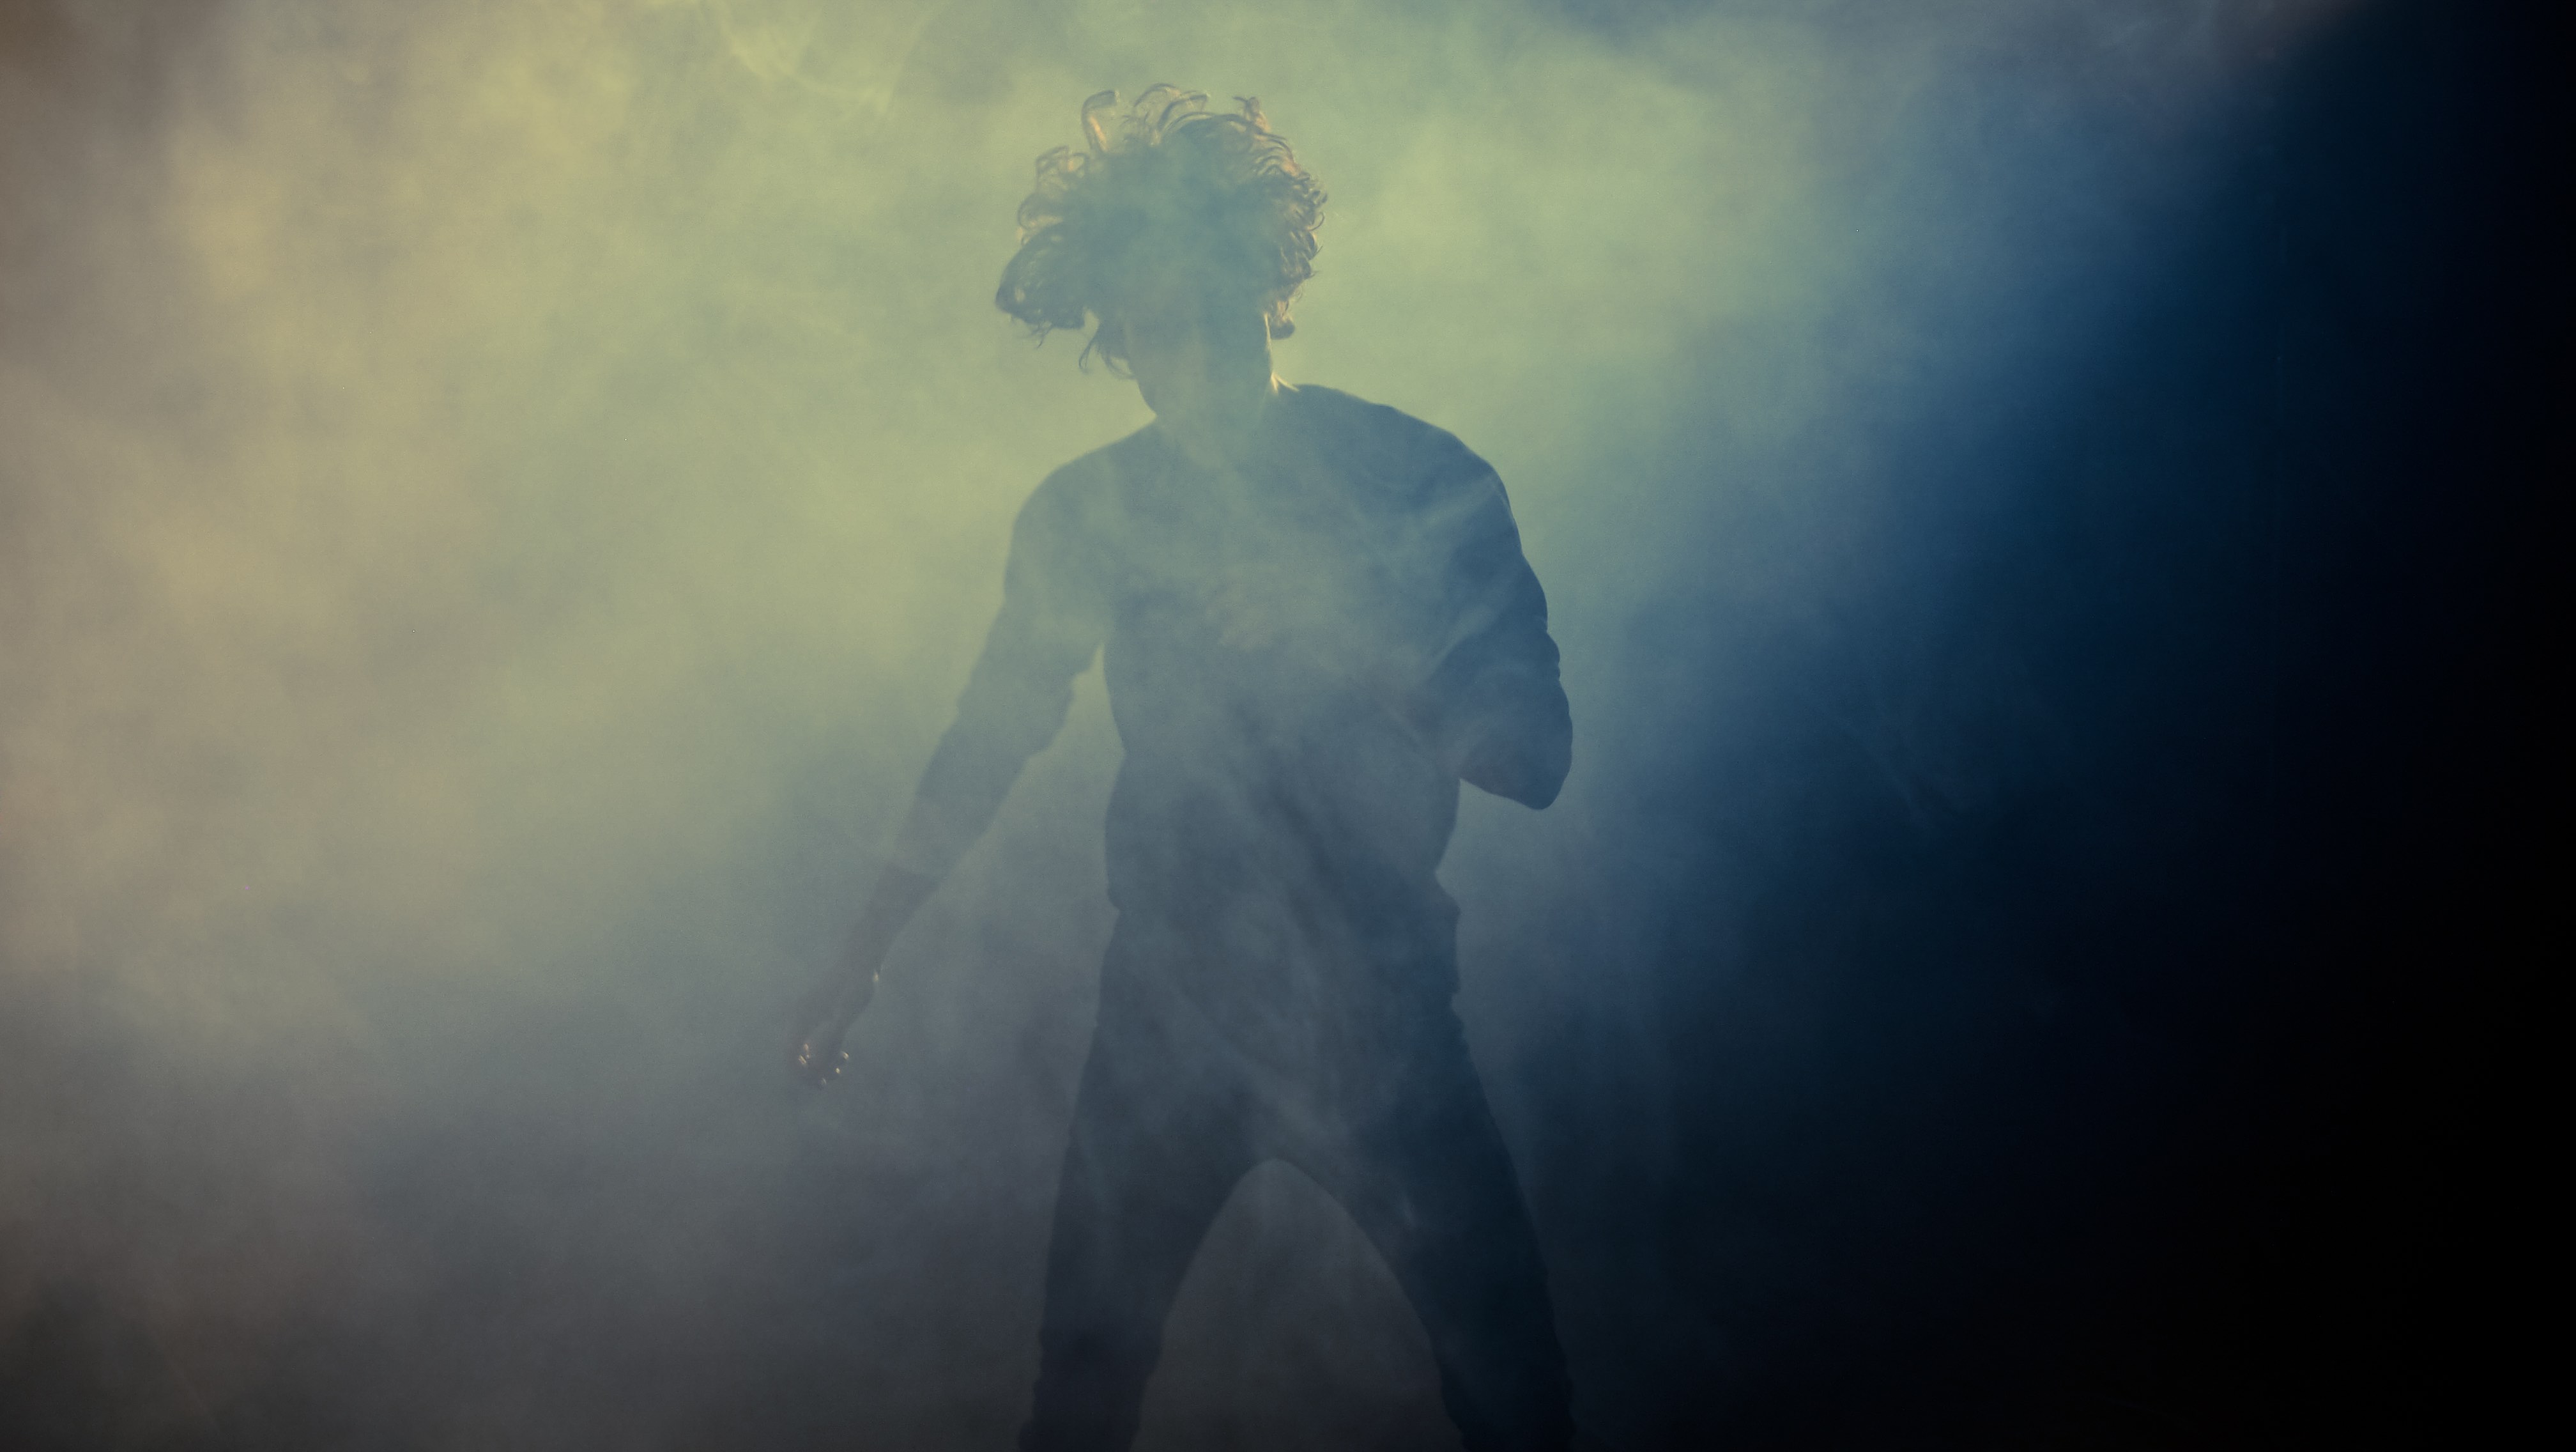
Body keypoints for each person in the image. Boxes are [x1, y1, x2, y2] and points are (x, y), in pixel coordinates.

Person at [788, 86, 1575, 1452]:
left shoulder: (1418, 477)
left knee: (1518, 1403)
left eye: (1217, 315)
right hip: (1165, 1016)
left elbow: (1537, 759)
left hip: (1383, 1012)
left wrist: (1355, 643)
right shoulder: (1088, 510)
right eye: (1159, 329)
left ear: (1271, 296)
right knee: (1081, 1397)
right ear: (1119, 343)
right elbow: (988, 737)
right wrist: (860, 951)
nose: (1197, 361)